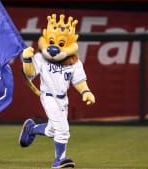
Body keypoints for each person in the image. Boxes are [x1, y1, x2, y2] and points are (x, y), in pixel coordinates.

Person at [19, 14, 95, 168]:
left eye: (61, 42)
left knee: (52, 130)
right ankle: (59, 160)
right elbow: (29, 74)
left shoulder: (74, 62)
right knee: (63, 130)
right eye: (52, 41)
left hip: (62, 99)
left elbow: (79, 81)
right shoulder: (41, 58)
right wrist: (27, 60)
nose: (55, 46)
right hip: (48, 97)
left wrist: (86, 92)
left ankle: (31, 129)